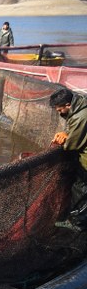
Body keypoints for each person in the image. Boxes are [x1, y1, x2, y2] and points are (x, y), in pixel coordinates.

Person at [49, 87, 87, 230]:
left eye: (60, 110)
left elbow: (73, 145)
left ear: (68, 105)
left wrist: (65, 141)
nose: (59, 114)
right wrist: (66, 132)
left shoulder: (80, 117)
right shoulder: (81, 101)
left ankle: (77, 223)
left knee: (81, 188)